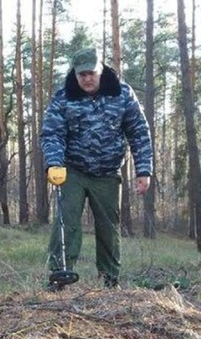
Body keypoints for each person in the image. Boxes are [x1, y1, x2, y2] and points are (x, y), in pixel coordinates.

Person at [40, 46, 153, 290]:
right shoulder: (64, 96)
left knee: (108, 228)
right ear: (75, 74)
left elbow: (139, 132)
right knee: (66, 221)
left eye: (91, 73)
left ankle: (110, 279)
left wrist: (143, 170)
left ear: (100, 69)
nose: (87, 79)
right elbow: (52, 133)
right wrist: (54, 162)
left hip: (107, 173)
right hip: (72, 170)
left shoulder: (122, 93)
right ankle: (59, 275)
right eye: (81, 74)